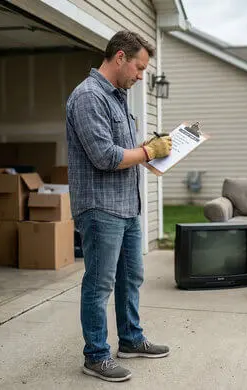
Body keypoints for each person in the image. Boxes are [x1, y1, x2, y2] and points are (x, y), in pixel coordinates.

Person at [65, 30, 173, 383]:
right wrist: (146, 153)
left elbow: (125, 151)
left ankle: (130, 340)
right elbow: (105, 156)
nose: (141, 76)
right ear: (120, 57)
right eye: (139, 68)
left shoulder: (118, 97)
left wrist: (150, 148)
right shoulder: (88, 97)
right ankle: (95, 355)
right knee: (99, 283)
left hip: (127, 205)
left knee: (132, 276)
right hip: (100, 208)